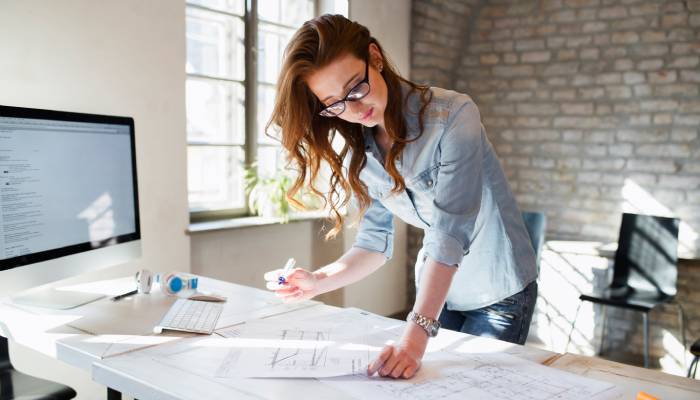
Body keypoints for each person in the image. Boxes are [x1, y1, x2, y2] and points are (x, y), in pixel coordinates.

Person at [263, 14, 538, 380]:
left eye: (356, 88)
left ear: (374, 58)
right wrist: (318, 280)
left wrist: (416, 331)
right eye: (335, 103)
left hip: (499, 291)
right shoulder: (362, 153)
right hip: (442, 294)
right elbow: (375, 244)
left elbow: (450, 231)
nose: (354, 110)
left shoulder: (454, 116)